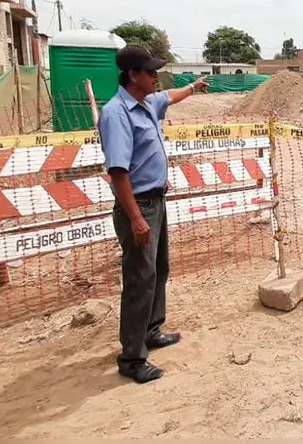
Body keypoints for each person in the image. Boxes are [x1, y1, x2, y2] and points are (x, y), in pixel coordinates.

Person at [97, 44, 208, 384]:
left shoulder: (145, 104)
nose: (155, 76)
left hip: (155, 201)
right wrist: (135, 217)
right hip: (140, 206)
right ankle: (131, 357)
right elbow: (118, 172)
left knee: (159, 270)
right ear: (133, 75)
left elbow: (170, 97)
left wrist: (193, 87)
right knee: (139, 281)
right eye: (150, 72)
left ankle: (151, 330)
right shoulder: (117, 114)